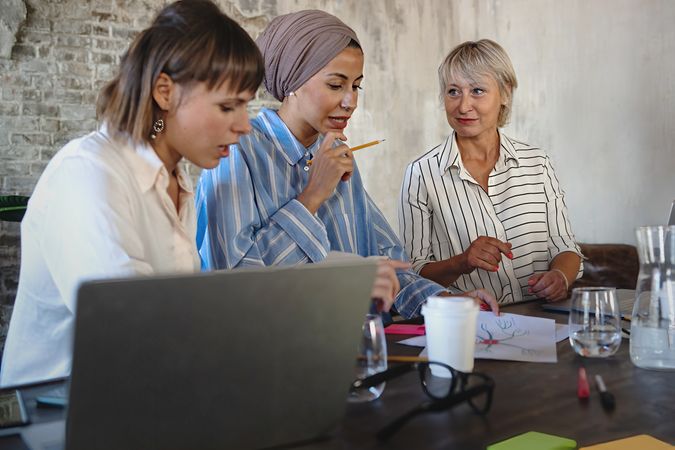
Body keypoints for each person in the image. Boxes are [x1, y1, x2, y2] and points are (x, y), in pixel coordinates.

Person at [0, 0, 264, 387]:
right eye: (228, 106)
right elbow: (133, 328)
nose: (245, 126)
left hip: (139, 399)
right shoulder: (87, 172)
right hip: (53, 419)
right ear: (164, 91)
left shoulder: (176, 182)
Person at [195, 10, 499, 319]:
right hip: (275, 356)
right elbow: (236, 285)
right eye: (336, 85)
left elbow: (386, 264)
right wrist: (313, 196)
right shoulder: (235, 150)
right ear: (293, 82)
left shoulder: (337, 152)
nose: (350, 101)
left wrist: (444, 300)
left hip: (357, 347)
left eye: (356, 86)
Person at [399, 39, 583, 305]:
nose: (463, 106)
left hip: (540, 319)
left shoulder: (538, 163)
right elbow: (413, 273)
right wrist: (462, 262)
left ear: (505, 93)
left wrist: (560, 277)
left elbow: (566, 247)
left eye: (477, 90)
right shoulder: (421, 174)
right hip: (472, 324)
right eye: (453, 91)